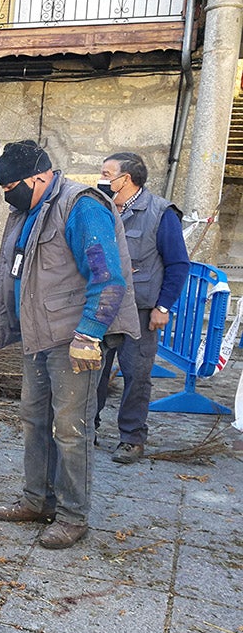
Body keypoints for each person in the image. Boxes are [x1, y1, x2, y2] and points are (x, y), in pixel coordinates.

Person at [0, 140, 139, 549]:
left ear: (40, 177)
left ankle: (73, 517)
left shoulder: (81, 206)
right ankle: (36, 500)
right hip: (37, 336)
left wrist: (89, 335)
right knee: (34, 420)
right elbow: (22, 273)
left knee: (71, 428)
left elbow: (108, 278)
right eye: (4, 189)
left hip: (72, 339)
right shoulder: (25, 212)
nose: (8, 194)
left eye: (12, 186)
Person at [94, 152, 190, 464]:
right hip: (102, 309)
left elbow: (178, 264)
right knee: (93, 371)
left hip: (141, 311)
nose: (103, 178)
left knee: (137, 375)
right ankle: (86, 428)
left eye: (108, 173)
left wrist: (163, 306)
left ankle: (132, 438)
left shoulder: (161, 213)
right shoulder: (100, 208)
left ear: (127, 179)